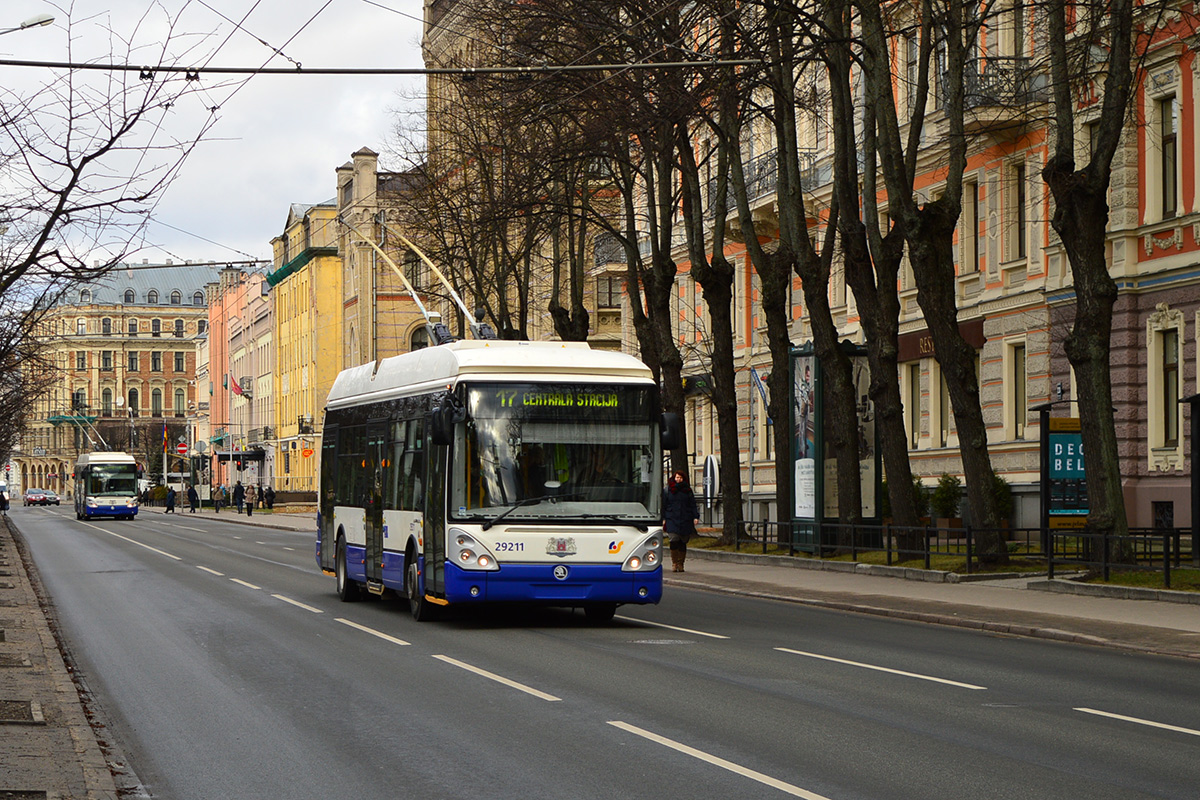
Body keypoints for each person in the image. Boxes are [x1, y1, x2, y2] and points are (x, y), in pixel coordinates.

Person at [662, 470, 700, 573]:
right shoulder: (668, 490)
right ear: (674, 478)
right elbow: (664, 505)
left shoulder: (687, 490)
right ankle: (674, 563)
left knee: (683, 541)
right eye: (677, 477)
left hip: (685, 518)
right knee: (673, 539)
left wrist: (695, 516)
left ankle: (681, 564)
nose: (678, 479)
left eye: (680, 478)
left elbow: (692, 504)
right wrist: (664, 518)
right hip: (672, 518)